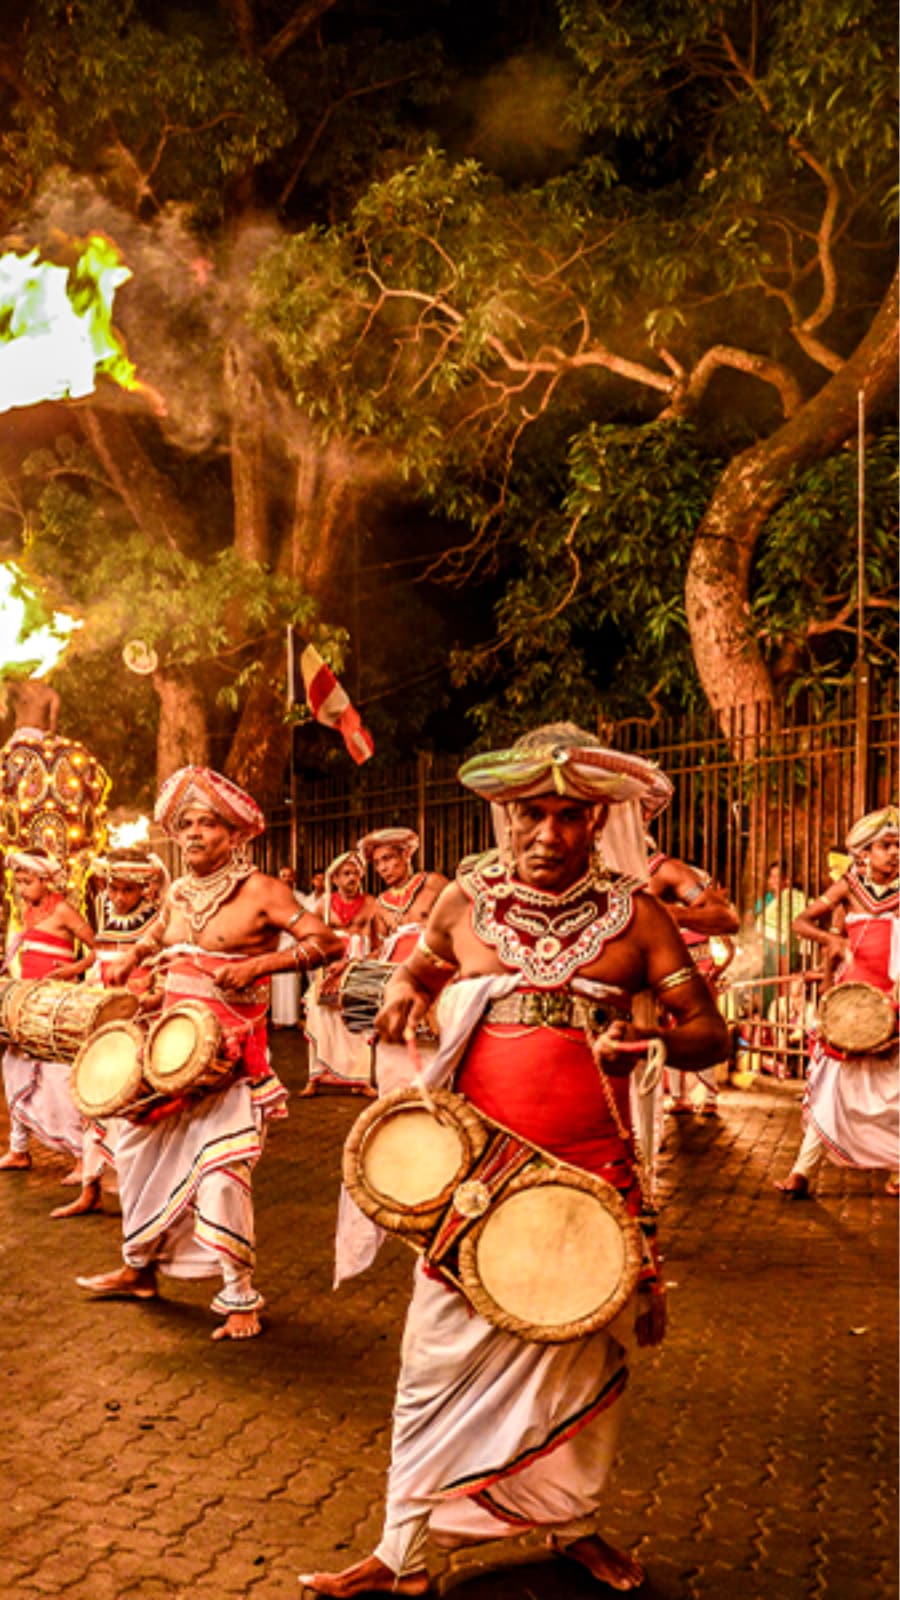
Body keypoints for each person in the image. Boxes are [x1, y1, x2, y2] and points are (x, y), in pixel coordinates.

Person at [301, 725, 728, 1597]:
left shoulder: (637, 915)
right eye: (532, 813)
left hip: (591, 1178)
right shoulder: (465, 901)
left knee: (580, 1356)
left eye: (569, 817)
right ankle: (402, 1552)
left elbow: (710, 1033)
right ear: (507, 816)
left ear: (598, 820)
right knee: (431, 1362)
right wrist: (405, 1001)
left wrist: (648, 1037)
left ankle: (572, 1522)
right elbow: (415, 976)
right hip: (473, 1178)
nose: (548, 834)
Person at [75, 766, 344, 1340]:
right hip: (165, 1059)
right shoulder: (177, 892)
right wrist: (134, 957)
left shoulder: (262, 892)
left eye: (207, 824)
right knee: (135, 1155)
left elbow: (328, 942)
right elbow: (160, 933)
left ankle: (240, 1296)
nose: (194, 834)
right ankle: (139, 1269)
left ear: (235, 833)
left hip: (230, 1061)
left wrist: (259, 966)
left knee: (222, 1176)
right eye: (186, 824)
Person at [775, 806, 899, 1201]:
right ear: (864, 852)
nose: (895, 853)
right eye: (886, 845)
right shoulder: (848, 886)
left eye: (899, 846)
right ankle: (801, 1171)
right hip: (850, 1002)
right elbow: (800, 922)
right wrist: (832, 941)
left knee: (895, 1088)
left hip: (893, 999)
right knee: (832, 1087)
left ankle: (897, 1168)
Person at [50, 844, 166, 1219]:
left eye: (127, 890)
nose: (118, 896)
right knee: (90, 1102)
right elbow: (99, 964)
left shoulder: (157, 921)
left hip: (138, 1025)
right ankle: (91, 1189)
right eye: (113, 888)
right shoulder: (102, 911)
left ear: (144, 889)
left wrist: (146, 1002)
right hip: (101, 1022)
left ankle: (140, 1190)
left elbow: (163, 974)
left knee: (131, 1107)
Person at [0, 847, 96, 1177]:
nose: (22, 888)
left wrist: (69, 972)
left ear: (45, 880)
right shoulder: (26, 909)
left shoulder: (65, 910)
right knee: (13, 1065)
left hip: (56, 1002)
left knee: (58, 1076)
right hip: (29, 1001)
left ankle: (83, 1157)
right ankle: (19, 1149)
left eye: (28, 881)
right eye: (19, 882)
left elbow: (96, 950)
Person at [645, 840, 738, 1116]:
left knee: (702, 1030)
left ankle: (708, 1097)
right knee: (670, 1033)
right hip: (667, 975)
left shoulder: (672, 881)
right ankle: (677, 1097)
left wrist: (713, 972)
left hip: (700, 975)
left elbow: (727, 935)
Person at [302, 851, 384, 1095]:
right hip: (328, 965)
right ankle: (314, 1078)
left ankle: (361, 1080)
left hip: (358, 966)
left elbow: (379, 942)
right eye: (346, 874)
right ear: (335, 878)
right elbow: (309, 936)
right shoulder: (323, 905)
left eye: (356, 874)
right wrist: (322, 959)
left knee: (358, 1020)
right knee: (321, 1019)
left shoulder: (372, 903)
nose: (352, 878)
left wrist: (365, 962)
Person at [360, 829, 448, 964]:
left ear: (406, 854)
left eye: (387, 858)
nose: (382, 868)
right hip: (399, 973)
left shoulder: (433, 883)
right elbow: (381, 951)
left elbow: (458, 923)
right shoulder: (380, 905)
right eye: (377, 863)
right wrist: (355, 962)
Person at [271, 865, 304, 1028]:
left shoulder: (301, 897)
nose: (286, 879)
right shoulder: (272, 898)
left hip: (294, 942)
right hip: (278, 943)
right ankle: (278, 1019)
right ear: (279, 878)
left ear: (294, 878)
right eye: (283, 876)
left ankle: (294, 1018)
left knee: (293, 982)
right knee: (278, 983)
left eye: (289, 876)